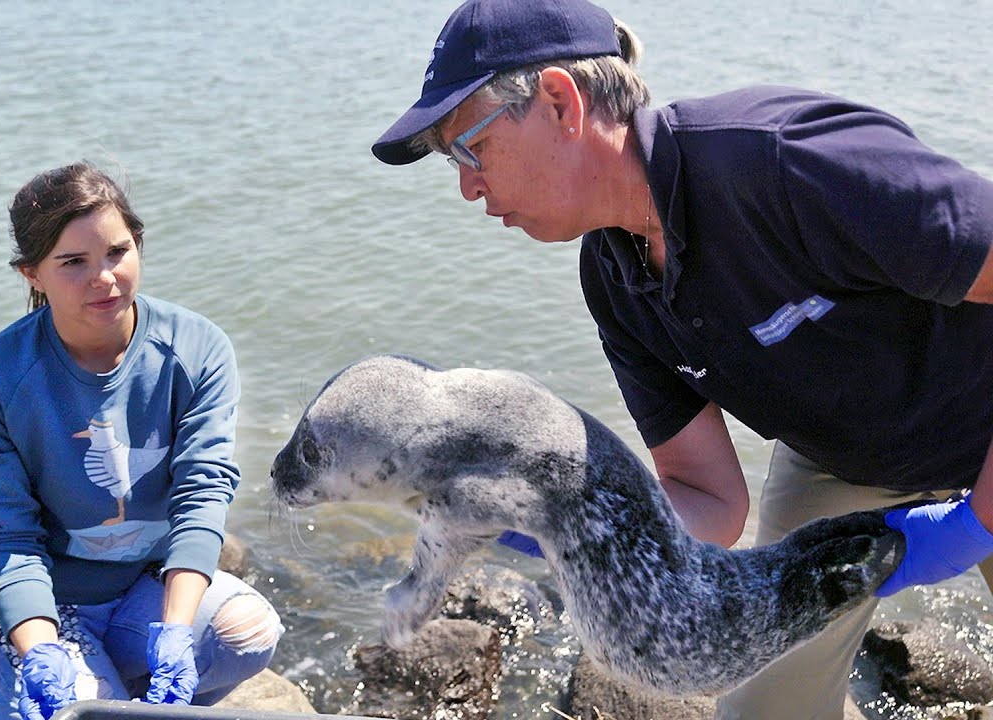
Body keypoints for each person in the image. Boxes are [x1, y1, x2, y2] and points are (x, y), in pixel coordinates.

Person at [369, 0, 993, 718]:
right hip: (841, 462)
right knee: (762, 710)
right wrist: (560, 524)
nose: (467, 185)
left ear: (559, 102)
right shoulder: (612, 278)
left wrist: (978, 520)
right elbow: (709, 500)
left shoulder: (785, 159)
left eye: (468, 147)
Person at [0, 162, 283, 720]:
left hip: (139, 593)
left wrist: (175, 633)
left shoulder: (198, 348)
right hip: (41, 605)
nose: (104, 277)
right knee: (75, 711)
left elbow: (203, 491)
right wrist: (40, 646)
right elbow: (5, 535)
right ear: (33, 274)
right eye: (73, 263)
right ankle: (74, 671)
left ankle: (132, 678)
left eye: (117, 253)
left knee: (248, 632)